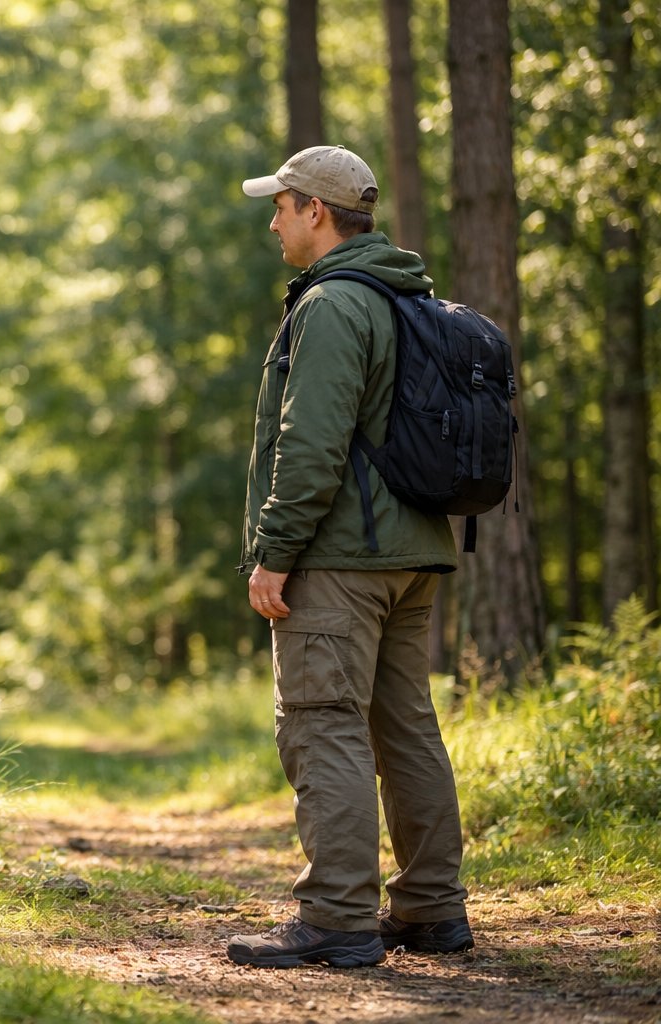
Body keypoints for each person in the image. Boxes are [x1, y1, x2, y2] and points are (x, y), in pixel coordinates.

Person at [229, 145, 475, 968]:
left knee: (322, 725)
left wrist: (275, 551)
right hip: (410, 552)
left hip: (340, 558)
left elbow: (311, 443)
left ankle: (337, 918)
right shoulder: (406, 295)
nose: (274, 220)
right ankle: (432, 910)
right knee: (404, 727)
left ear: (318, 213)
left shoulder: (335, 302)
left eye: (283, 204)